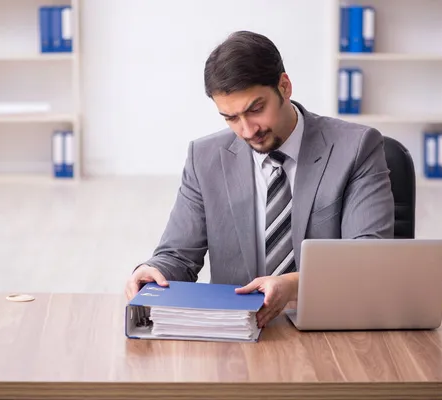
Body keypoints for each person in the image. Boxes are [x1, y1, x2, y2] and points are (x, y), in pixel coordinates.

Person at [125, 30, 395, 328]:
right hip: (236, 332)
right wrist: (153, 270)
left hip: (331, 325)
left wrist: (294, 285)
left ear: (285, 86)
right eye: (230, 118)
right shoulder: (205, 158)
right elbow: (178, 255)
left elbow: (370, 257)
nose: (247, 130)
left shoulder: (356, 148)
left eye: (256, 109)